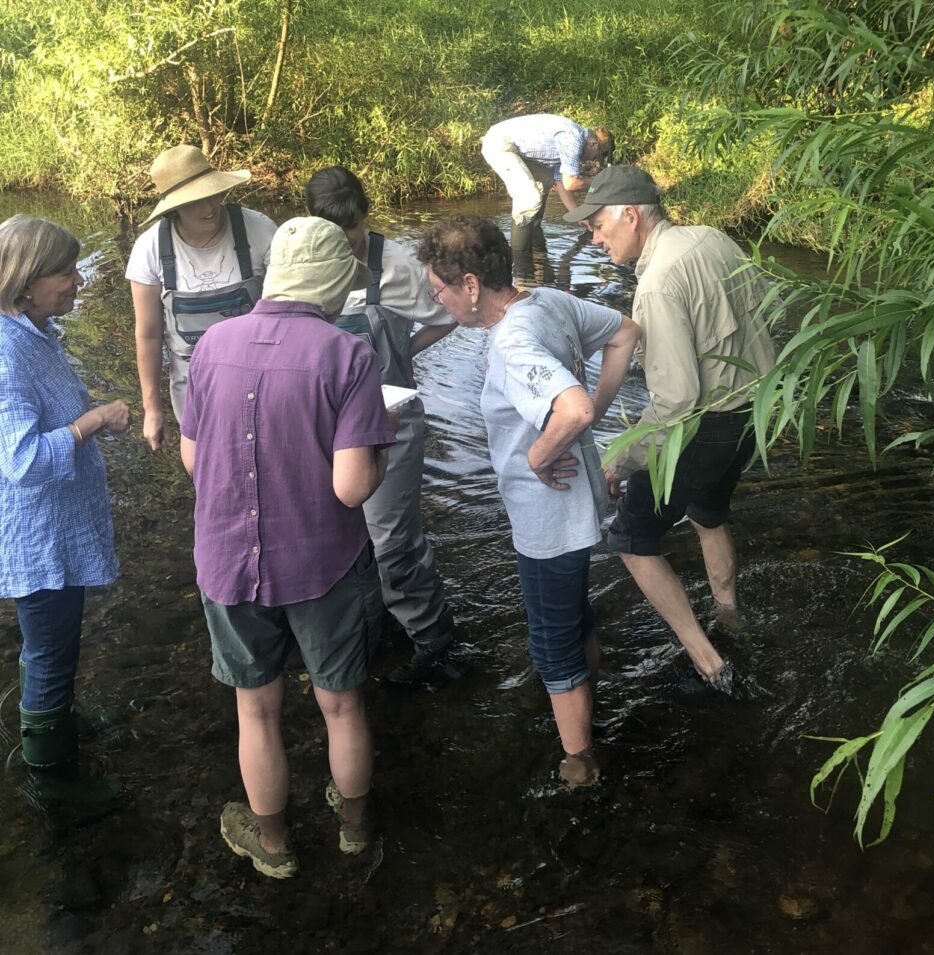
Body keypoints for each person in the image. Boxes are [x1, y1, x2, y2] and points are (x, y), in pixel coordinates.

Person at [180, 216, 396, 879]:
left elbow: (193, 457)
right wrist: (384, 455)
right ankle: (354, 831)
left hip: (226, 557)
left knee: (256, 706)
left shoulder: (212, 343)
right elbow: (353, 486)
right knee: (341, 703)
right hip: (323, 560)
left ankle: (272, 845)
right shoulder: (347, 354)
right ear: (332, 282)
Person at [418, 216, 639, 788]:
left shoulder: (513, 341)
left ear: (471, 284)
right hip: (582, 502)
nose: (435, 300)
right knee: (574, 615)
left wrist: (539, 457)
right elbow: (626, 332)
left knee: (549, 638)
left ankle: (579, 762)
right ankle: (593, 711)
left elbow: (575, 412)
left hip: (551, 513)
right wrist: (590, 410)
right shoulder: (545, 301)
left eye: (438, 289)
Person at [565, 166, 777, 687]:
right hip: (758, 410)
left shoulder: (656, 285)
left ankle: (711, 664)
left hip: (709, 426)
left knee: (632, 539)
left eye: (597, 225)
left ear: (630, 215)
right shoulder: (712, 237)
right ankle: (730, 617)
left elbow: (678, 402)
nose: (594, 238)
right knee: (707, 513)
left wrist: (623, 456)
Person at [305, 167, 459, 685]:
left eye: (350, 230)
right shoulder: (301, 262)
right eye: (332, 231)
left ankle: (436, 644)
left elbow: (449, 313)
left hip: (390, 419)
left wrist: (405, 352)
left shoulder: (395, 266)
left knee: (392, 541)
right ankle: (375, 631)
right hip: (324, 423)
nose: (344, 242)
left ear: (365, 217)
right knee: (342, 538)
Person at [0, 215, 132, 805]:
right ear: (26, 281)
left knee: (49, 647)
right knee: (52, 652)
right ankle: (53, 786)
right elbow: (22, 461)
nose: (79, 280)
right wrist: (95, 420)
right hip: (38, 536)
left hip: (55, 528)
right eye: (66, 272)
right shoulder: (6, 353)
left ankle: (52, 727)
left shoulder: (33, 329)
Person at [127, 144, 277, 449]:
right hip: (195, 390)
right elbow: (149, 335)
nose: (209, 208)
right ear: (174, 206)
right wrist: (152, 409)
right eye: (195, 201)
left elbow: (287, 312)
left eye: (213, 193)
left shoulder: (258, 230)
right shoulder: (150, 249)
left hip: (262, 381)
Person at [481, 114, 613, 259]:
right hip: (499, 145)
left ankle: (534, 234)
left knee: (546, 180)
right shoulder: (573, 139)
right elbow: (571, 183)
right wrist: (599, 184)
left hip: (511, 147)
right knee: (530, 199)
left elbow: (561, 182)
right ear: (593, 144)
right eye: (597, 155)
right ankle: (519, 260)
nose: (593, 160)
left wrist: (579, 216)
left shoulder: (571, 142)